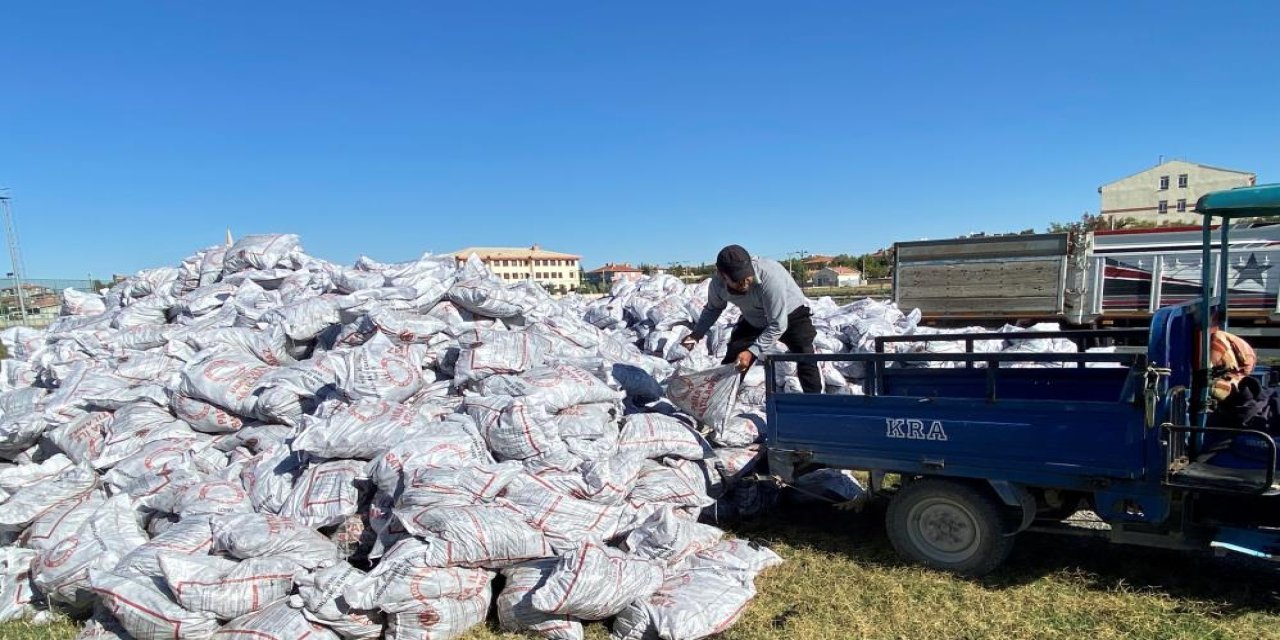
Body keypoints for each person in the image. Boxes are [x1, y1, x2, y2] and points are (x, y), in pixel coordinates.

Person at [681, 244, 822, 393]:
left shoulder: (769, 275)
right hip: (754, 318)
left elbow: (778, 324)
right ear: (722, 275)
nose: (744, 282)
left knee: (805, 354)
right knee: (734, 359)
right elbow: (713, 308)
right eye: (737, 279)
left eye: (746, 276)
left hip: (790, 315)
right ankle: (719, 398)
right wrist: (696, 334)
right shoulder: (717, 285)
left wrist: (752, 351)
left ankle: (815, 402)